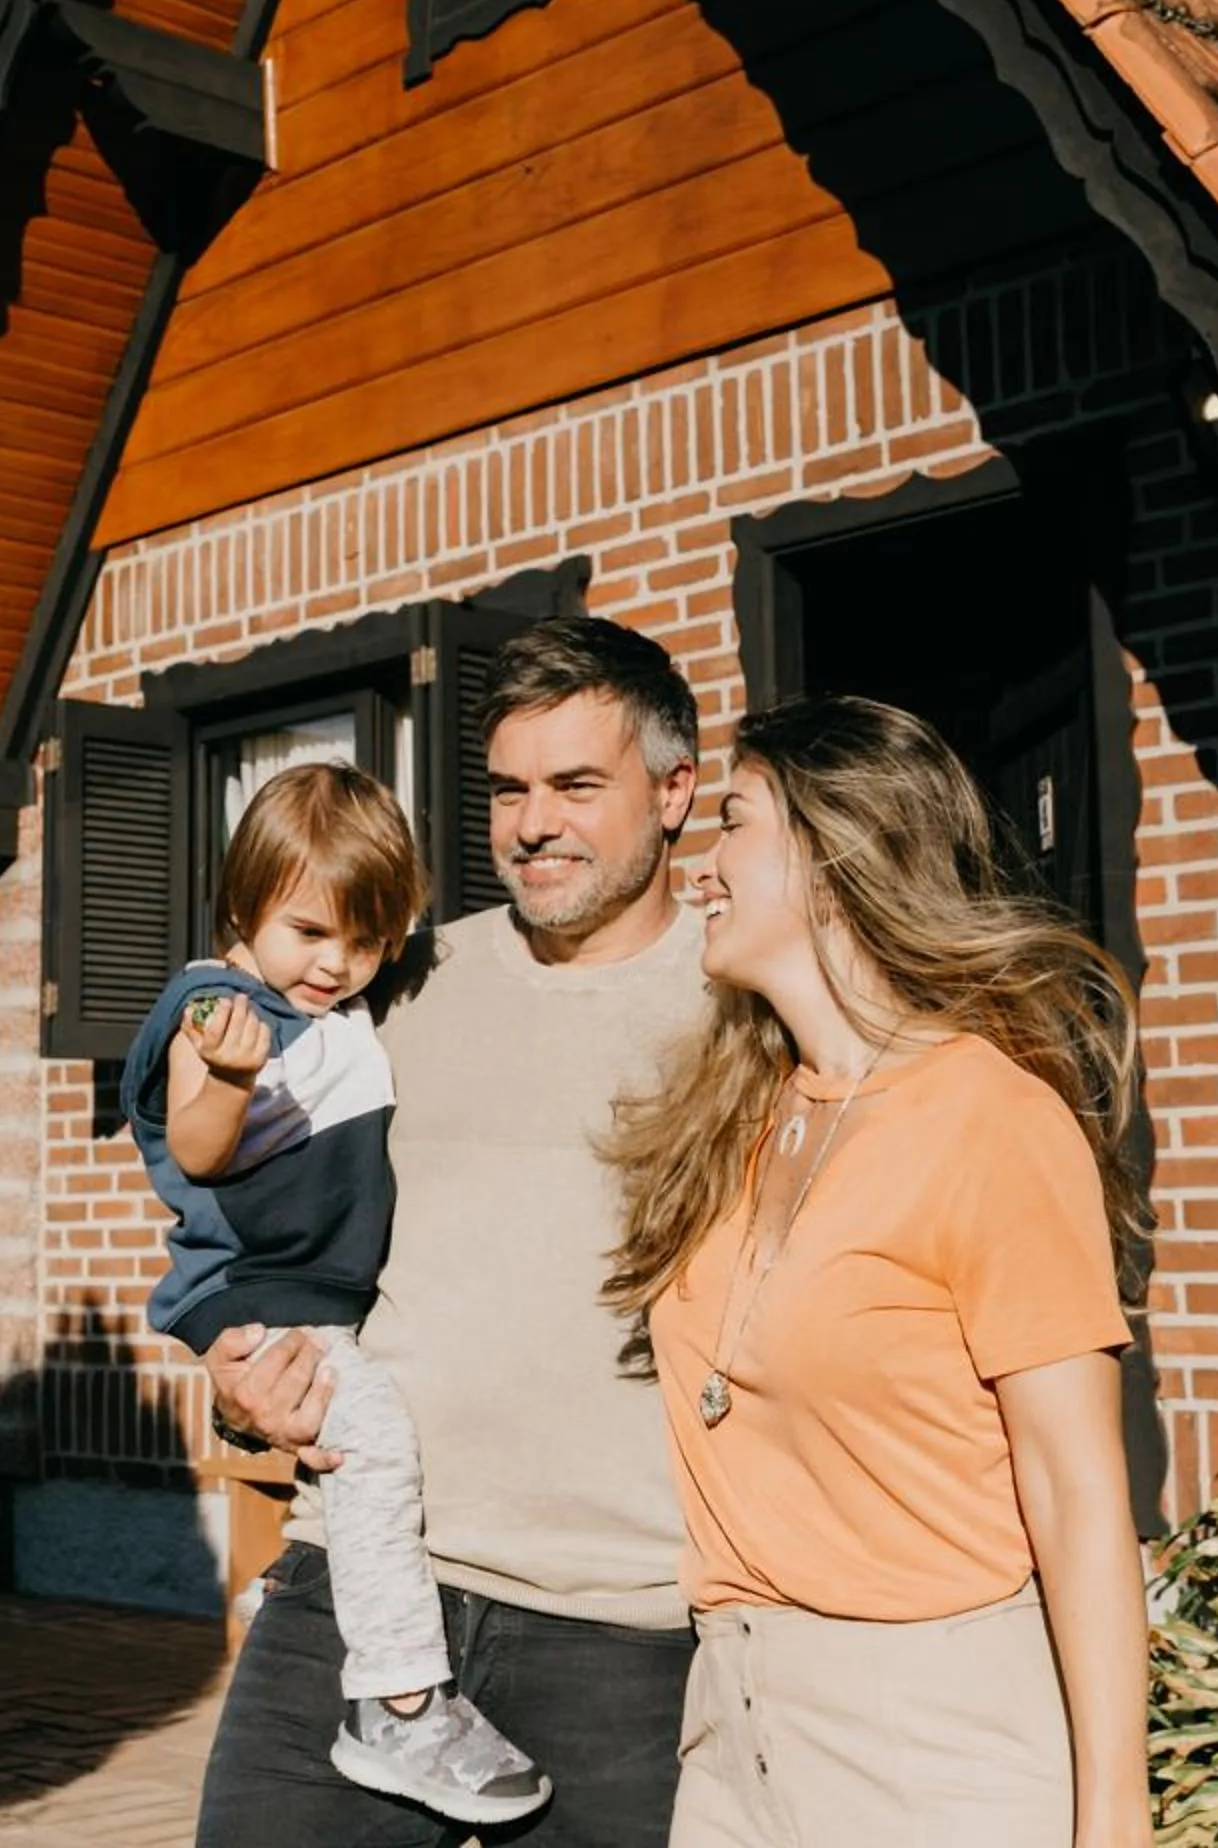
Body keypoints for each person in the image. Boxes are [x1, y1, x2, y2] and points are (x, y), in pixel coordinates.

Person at [602, 695, 1153, 1848]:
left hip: (929, 1742)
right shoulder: (741, 1115)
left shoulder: (992, 1120)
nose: (701, 870)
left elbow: (1076, 1488)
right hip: (734, 1726)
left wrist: (1114, 1814)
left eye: (732, 823)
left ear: (831, 857)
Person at [194, 617, 707, 1848]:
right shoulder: (394, 986)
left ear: (676, 789)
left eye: (578, 784)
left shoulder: (745, 995)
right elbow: (256, 1212)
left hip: (625, 1627)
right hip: (360, 1588)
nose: (534, 822)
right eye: (509, 789)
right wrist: (235, 1370)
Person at [124, 762, 550, 1827]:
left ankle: (341, 1627)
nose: (338, 963)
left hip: (310, 1291)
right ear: (243, 907)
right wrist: (224, 1074)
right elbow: (197, 1142)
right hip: (259, 1289)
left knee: (364, 1460)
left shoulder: (343, 1000)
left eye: (365, 938)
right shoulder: (218, 1006)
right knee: (373, 1450)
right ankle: (400, 1703)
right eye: (309, 931)